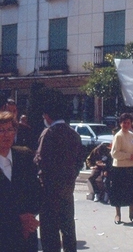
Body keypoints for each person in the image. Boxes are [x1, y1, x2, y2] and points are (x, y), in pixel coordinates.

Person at [34, 89, 82, 252]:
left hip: (49, 191)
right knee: (68, 229)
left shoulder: (48, 133)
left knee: (49, 232)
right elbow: (79, 162)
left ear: (47, 116)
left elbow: (40, 161)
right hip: (67, 190)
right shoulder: (74, 134)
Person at [0, 111, 41, 252]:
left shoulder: (24, 155)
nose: (6, 134)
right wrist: (18, 221)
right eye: (1, 130)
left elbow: (36, 191)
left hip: (26, 236)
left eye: (10, 129)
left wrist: (29, 218)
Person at [109, 112, 133, 224]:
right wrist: (129, 156)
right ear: (120, 123)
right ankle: (117, 215)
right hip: (120, 168)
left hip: (132, 167)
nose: (126, 125)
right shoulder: (118, 136)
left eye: (128, 123)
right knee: (118, 192)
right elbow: (114, 154)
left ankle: (132, 214)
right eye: (124, 123)